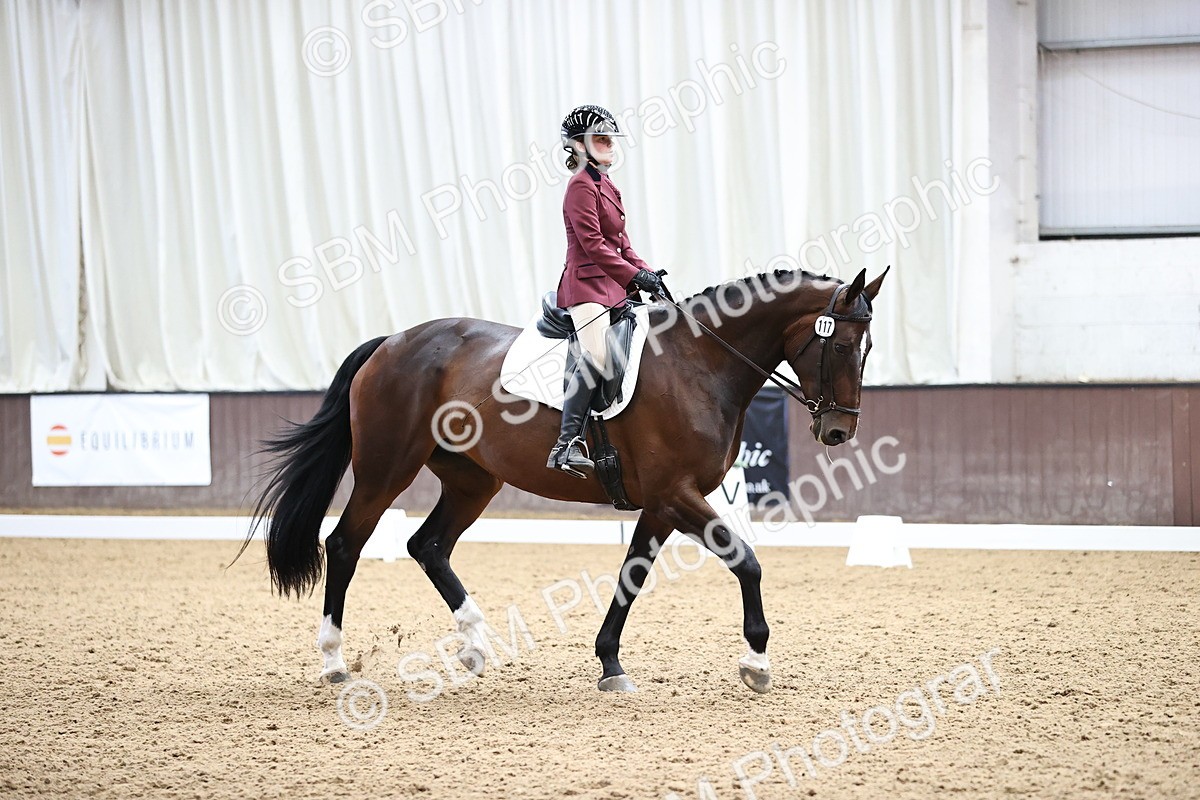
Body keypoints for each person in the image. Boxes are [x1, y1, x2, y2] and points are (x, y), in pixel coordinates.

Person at [547, 104, 663, 478]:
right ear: (579, 146)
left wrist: (647, 274)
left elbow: (622, 244)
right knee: (597, 354)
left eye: (610, 138)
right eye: (601, 138)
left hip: (614, 287)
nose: (610, 144)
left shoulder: (607, 184)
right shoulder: (580, 186)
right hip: (586, 287)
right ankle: (566, 445)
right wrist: (633, 275)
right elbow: (594, 245)